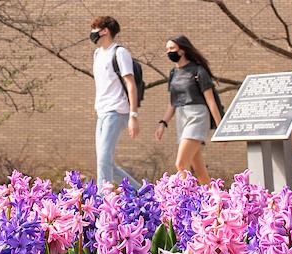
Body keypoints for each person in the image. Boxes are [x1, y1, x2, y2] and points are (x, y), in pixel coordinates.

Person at [154, 35, 221, 185]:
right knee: (199, 170)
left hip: (197, 116)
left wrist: (220, 128)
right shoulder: (173, 73)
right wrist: (163, 123)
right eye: (167, 49)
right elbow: (173, 103)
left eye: (171, 48)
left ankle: (185, 201)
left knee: (181, 164)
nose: (168, 52)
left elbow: (211, 101)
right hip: (181, 117)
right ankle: (214, 200)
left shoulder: (198, 70)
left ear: (182, 50)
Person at [90, 16, 139, 188]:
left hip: (117, 111)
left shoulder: (119, 52)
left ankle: (102, 202)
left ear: (105, 30)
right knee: (105, 162)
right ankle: (143, 193)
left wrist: (133, 115)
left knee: (103, 160)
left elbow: (130, 84)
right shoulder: (97, 54)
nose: (92, 33)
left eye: (95, 29)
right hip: (102, 112)